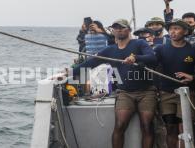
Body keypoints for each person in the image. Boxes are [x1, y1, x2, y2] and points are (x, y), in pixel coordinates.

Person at [72, 19, 157, 148]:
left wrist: (136, 58)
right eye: (116, 28)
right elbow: (90, 63)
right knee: (119, 125)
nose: (119, 30)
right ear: (112, 31)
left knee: (146, 126)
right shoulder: (109, 50)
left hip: (146, 92)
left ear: (128, 30)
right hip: (125, 93)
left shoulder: (139, 43)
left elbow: (152, 58)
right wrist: (70, 73)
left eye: (122, 27)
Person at [154, 19, 195, 148]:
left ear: (186, 31)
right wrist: (136, 58)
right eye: (171, 29)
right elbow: (151, 62)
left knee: (186, 129)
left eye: (177, 28)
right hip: (166, 94)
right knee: (170, 128)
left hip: (187, 94)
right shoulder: (160, 49)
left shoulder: (192, 48)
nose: (173, 31)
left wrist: (192, 77)